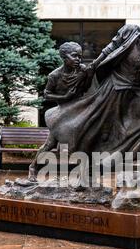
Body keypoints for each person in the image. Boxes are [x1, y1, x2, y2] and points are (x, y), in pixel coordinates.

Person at [32, 3, 140, 178]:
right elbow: (110, 49)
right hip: (116, 84)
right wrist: (94, 65)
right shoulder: (130, 31)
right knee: (99, 129)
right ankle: (87, 167)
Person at [28, 41, 93, 180]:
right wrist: (64, 97)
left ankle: (82, 176)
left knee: (82, 142)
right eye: (74, 56)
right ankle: (33, 167)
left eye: (80, 56)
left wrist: (89, 75)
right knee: (50, 144)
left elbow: (86, 88)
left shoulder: (82, 70)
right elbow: (46, 94)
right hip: (62, 114)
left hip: (78, 112)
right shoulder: (55, 75)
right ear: (64, 57)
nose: (78, 59)